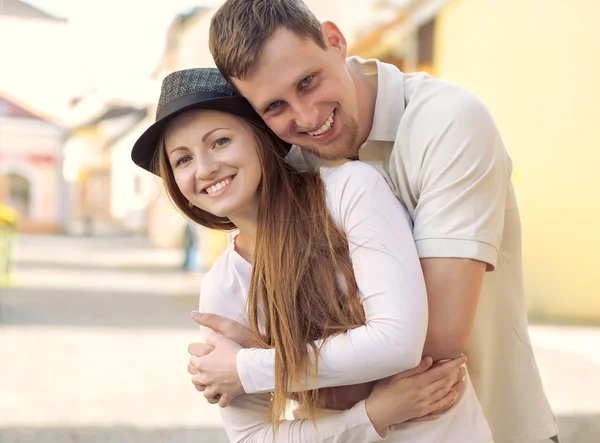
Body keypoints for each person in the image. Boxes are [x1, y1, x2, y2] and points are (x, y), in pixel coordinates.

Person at [186, 1, 559, 443]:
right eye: (274, 106)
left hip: (495, 426)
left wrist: (253, 362)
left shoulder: (446, 124)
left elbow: (430, 343)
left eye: (308, 81)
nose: (306, 117)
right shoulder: (292, 169)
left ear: (335, 41)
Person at [131, 67, 488, 442]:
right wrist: (373, 415)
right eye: (183, 159)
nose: (204, 168)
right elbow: (251, 436)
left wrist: (247, 367)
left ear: (259, 136)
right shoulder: (223, 286)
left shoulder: (348, 192)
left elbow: (397, 343)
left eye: (220, 141)